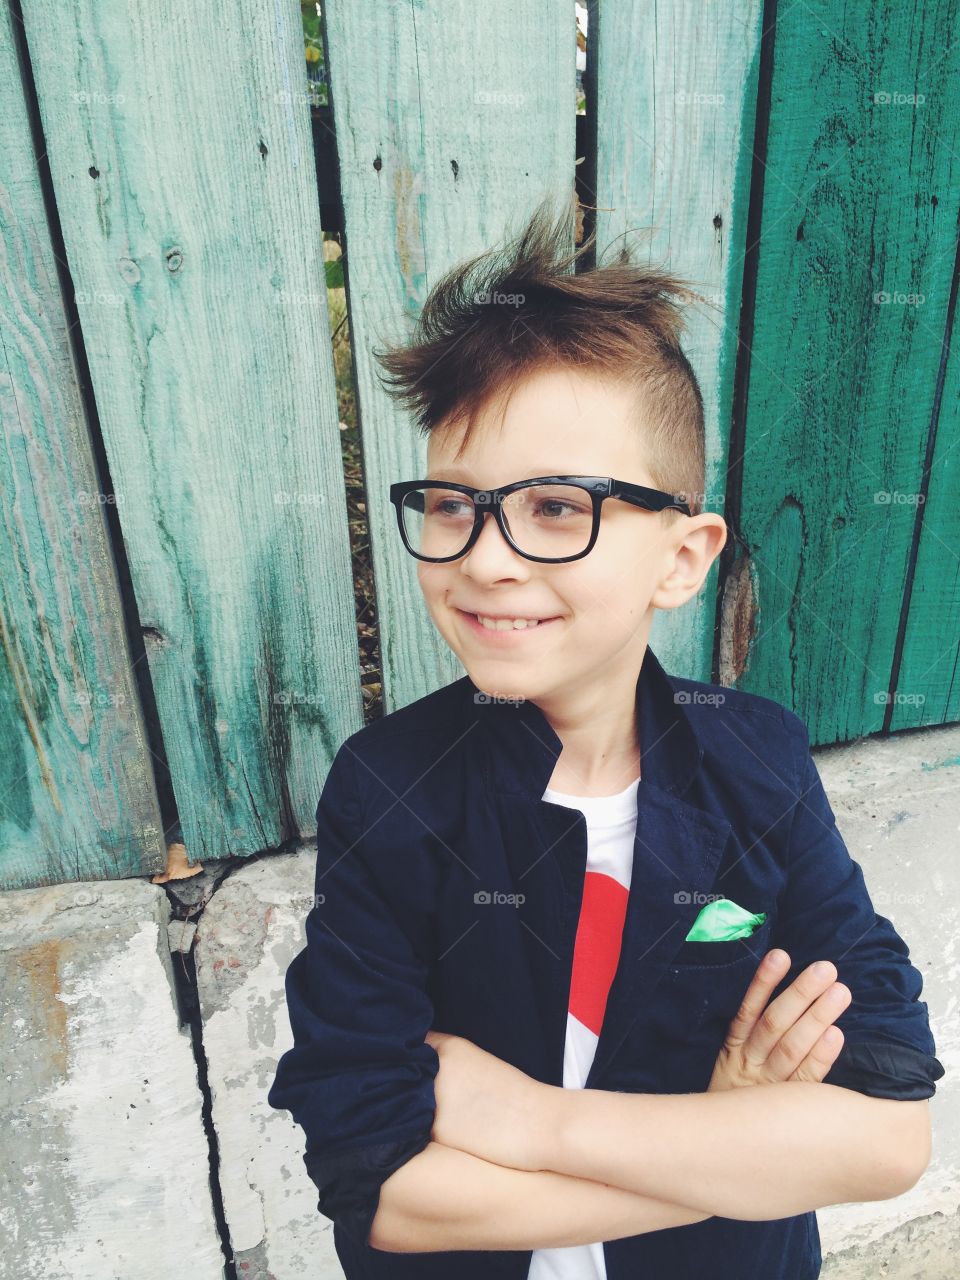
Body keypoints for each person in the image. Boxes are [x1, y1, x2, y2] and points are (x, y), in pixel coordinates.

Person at [267, 196, 944, 1280]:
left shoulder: (756, 763)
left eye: (553, 507)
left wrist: (532, 1120)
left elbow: (885, 1130)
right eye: (451, 503)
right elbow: (378, 1181)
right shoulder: (392, 788)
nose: (483, 557)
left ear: (683, 557)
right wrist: (728, 1142)